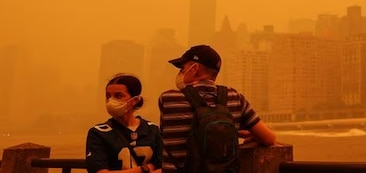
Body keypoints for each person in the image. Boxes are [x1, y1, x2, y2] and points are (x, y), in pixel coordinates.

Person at [158, 44, 276, 173]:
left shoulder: (168, 99)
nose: (180, 73)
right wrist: (253, 134)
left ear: (195, 68)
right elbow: (269, 139)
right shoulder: (235, 98)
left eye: (182, 68)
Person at [86, 74, 163, 173]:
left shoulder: (152, 130)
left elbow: (164, 167)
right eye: (108, 96)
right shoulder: (98, 133)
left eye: (118, 95)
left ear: (135, 100)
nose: (111, 101)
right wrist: (146, 169)